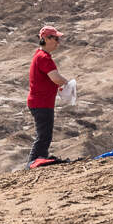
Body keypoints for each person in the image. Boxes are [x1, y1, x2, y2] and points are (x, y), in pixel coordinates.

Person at [26, 25, 71, 166]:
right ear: (45, 39)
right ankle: (33, 163)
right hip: (41, 102)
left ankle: (39, 160)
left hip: (41, 101)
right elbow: (55, 78)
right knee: (43, 136)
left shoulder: (41, 56)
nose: (58, 42)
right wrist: (68, 84)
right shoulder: (44, 57)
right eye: (56, 38)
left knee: (45, 135)